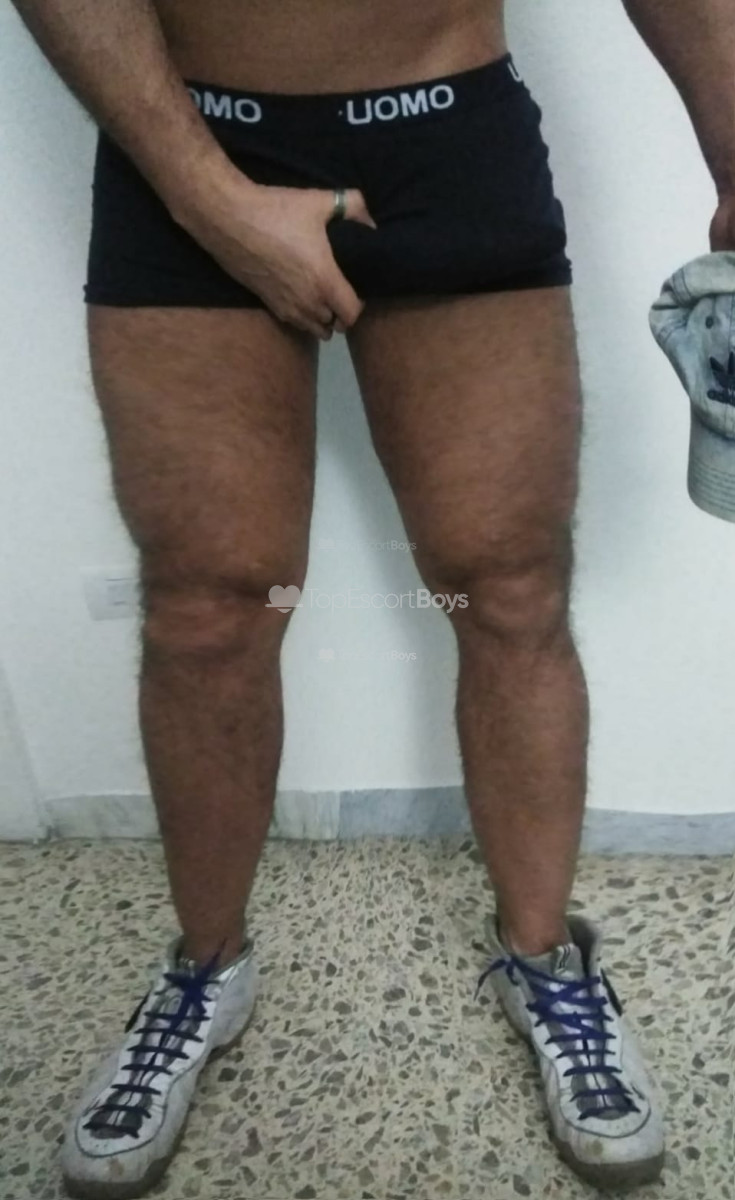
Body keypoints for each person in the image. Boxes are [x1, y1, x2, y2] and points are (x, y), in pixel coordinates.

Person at [8, 1, 734, 1196]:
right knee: (207, 611)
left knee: (509, 589)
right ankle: (205, 971)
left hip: (448, 135)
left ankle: (546, 964)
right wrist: (207, 196)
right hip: (187, 142)